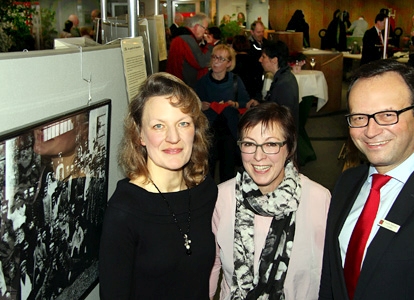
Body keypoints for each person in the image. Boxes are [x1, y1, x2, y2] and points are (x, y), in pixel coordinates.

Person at [319, 59, 414, 299]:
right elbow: (331, 277)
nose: (370, 131)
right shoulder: (347, 182)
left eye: (387, 115)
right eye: (359, 117)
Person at [99, 73, 218, 299]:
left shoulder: (206, 191)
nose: (173, 137)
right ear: (140, 135)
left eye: (183, 123)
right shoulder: (125, 211)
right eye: (158, 126)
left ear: (195, 130)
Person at [209, 102, 331, 299]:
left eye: (271, 144)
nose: (258, 156)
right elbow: (212, 264)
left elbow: (330, 272)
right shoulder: (222, 197)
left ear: (289, 147)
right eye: (249, 144)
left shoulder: (318, 199)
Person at [195, 44, 250, 182]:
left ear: (229, 63)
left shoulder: (235, 81)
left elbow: (245, 102)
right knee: (208, 171)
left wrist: (235, 104)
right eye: (214, 57)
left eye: (221, 59)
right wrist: (200, 106)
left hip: (230, 132)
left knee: (228, 172)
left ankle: (227, 200)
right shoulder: (202, 82)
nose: (215, 61)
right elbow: (191, 105)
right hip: (208, 132)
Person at [166, 13, 214, 88]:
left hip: (175, 84)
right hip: (184, 87)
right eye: (205, 28)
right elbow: (202, 62)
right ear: (197, 27)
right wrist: (210, 45)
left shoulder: (180, 37)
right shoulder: (188, 39)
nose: (205, 32)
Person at [247, 20, 267, 101]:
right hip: (253, 81)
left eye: (262, 31)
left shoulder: (267, 43)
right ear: (252, 32)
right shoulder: (248, 45)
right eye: (258, 32)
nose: (261, 34)